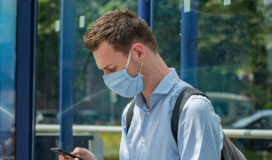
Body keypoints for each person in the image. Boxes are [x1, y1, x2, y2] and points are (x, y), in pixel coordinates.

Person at [60, 9, 223, 160]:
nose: (107, 78)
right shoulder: (130, 114)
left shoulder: (192, 110)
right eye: (103, 70)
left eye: (111, 68)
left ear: (138, 53)